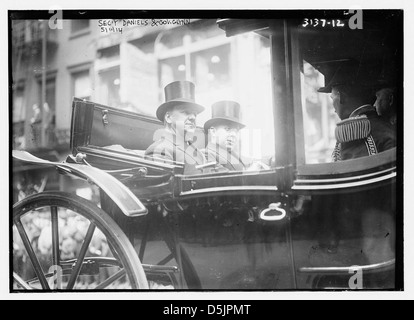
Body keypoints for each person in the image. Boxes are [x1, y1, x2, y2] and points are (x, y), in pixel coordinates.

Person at [145, 80, 210, 175]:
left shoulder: (195, 150)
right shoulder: (160, 150)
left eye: (195, 114)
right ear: (168, 117)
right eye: (186, 112)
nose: (192, 117)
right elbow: (166, 189)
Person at [202, 100, 246, 171]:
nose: (233, 135)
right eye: (228, 129)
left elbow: (246, 163)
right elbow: (225, 180)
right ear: (213, 131)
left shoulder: (232, 153)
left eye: (236, 131)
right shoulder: (206, 154)